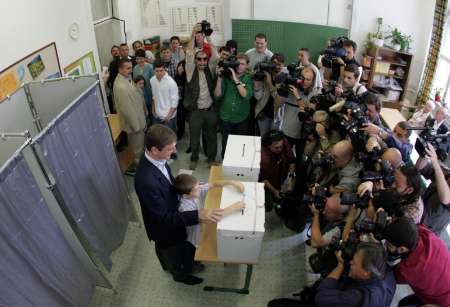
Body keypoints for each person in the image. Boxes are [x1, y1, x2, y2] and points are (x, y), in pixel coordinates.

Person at [134, 125, 224, 285]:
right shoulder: (146, 181)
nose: (174, 152)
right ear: (154, 150)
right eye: (170, 149)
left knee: (174, 250)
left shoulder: (158, 160)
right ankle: (181, 275)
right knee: (174, 253)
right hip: (165, 229)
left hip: (171, 215)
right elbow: (164, 219)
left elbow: (169, 184)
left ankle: (172, 265)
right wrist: (198, 215)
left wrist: (190, 188)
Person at [383, 216, 450, 306]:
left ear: (402, 249)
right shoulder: (424, 232)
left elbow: (389, 275)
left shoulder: (409, 269)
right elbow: (408, 226)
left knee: (404, 304)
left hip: (442, 301)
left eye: (388, 245)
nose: (386, 246)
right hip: (442, 280)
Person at [314, 242, 396, 307]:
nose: (350, 262)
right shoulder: (388, 272)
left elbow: (320, 297)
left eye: (354, 262)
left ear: (366, 272)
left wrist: (340, 265)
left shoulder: (357, 298)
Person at [174, 174, 244, 247]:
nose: (200, 189)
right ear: (185, 195)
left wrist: (232, 182)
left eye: (198, 186)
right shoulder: (185, 208)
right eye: (196, 190)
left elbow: (213, 184)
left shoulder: (194, 189)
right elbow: (213, 218)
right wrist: (235, 207)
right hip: (197, 237)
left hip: (203, 226)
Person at [184, 24, 218, 170]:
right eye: (200, 60)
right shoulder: (190, 70)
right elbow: (190, 53)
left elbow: (215, 54)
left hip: (210, 110)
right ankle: (194, 158)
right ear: (196, 61)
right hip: (196, 112)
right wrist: (193, 33)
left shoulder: (210, 68)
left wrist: (207, 36)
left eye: (204, 59)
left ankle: (211, 159)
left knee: (211, 137)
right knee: (194, 137)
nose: (202, 62)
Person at [214, 53, 253, 157]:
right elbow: (217, 95)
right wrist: (219, 78)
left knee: (239, 143)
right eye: (238, 63)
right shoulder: (226, 77)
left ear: (247, 66)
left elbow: (245, 95)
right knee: (225, 142)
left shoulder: (249, 78)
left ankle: (237, 162)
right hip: (226, 116)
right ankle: (225, 160)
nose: (240, 66)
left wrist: (235, 79)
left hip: (241, 117)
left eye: (243, 64)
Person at [113, 58, 147, 174]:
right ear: (120, 69)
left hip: (139, 119)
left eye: (131, 68)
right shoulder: (120, 87)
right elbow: (127, 110)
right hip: (134, 125)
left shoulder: (126, 78)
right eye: (127, 68)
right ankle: (138, 169)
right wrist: (137, 127)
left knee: (139, 145)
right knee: (137, 148)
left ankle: (138, 164)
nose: (130, 70)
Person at [416, 144, 450, 235]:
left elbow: (445, 198)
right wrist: (423, 154)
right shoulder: (446, 173)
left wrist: (435, 164)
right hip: (415, 213)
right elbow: (420, 167)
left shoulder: (441, 171)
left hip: (425, 232)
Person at [259, 130, 296, 211]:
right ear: (268, 146)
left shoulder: (283, 141)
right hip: (267, 181)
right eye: (276, 147)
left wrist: (291, 177)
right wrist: (274, 190)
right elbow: (262, 179)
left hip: (281, 174)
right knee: (268, 205)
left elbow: (291, 161)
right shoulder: (264, 158)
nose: (280, 149)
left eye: (281, 146)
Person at [254, 53, 284, 136]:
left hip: (277, 116)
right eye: (274, 63)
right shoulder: (265, 75)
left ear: (283, 65)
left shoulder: (284, 77)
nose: (276, 66)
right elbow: (258, 97)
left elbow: (279, 100)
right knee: (263, 139)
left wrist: (270, 83)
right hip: (263, 114)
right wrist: (257, 83)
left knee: (274, 141)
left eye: (279, 64)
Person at [150, 61, 178, 132]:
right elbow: (154, 96)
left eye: (161, 70)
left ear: (165, 69)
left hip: (168, 118)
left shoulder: (171, 83)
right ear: (154, 71)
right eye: (157, 71)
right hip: (156, 116)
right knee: (158, 139)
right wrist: (153, 110)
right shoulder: (152, 80)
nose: (159, 73)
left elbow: (175, 103)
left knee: (169, 141)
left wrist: (168, 117)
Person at [133, 49, 153, 116]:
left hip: (149, 93)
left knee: (151, 112)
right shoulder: (135, 68)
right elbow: (134, 82)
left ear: (144, 58)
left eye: (141, 58)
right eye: (137, 59)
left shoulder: (150, 67)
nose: (139, 61)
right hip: (139, 95)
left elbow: (153, 82)